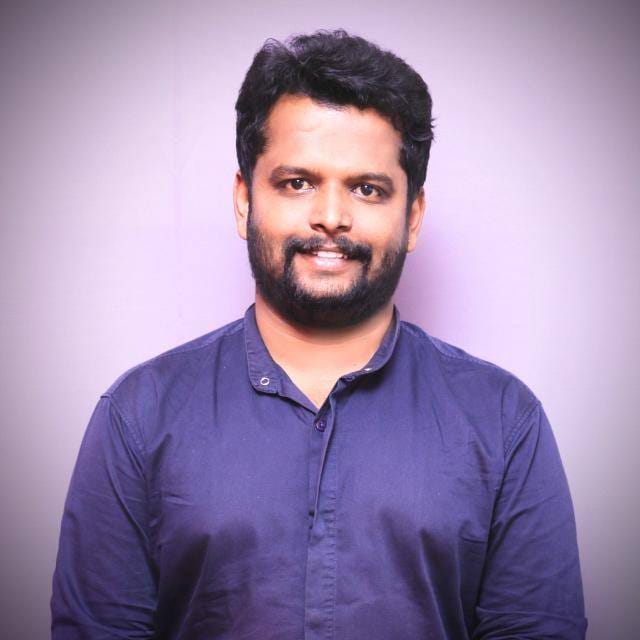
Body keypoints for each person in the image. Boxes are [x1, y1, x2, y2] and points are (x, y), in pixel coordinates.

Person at [51, 29, 587, 639]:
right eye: (297, 182)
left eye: (367, 189)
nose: (331, 217)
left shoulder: (504, 420)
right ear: (243, 201)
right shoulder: (138, 415)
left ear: (412, 217)